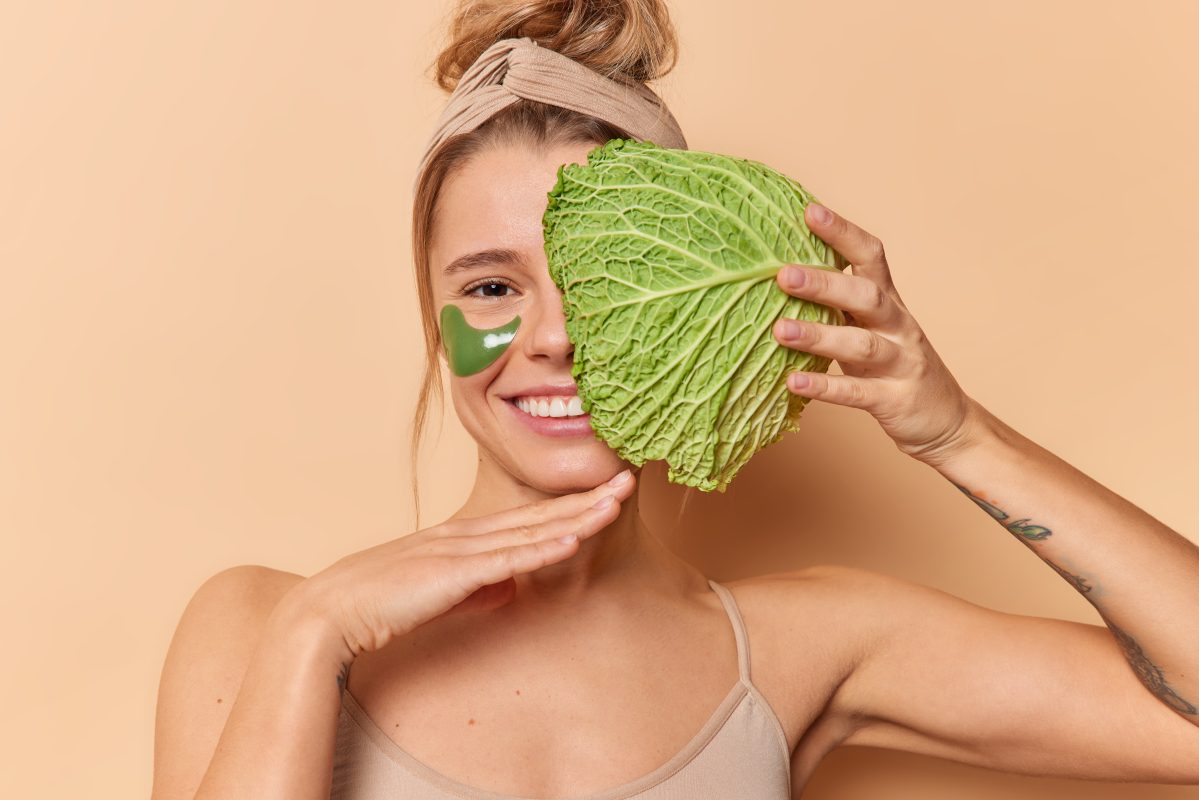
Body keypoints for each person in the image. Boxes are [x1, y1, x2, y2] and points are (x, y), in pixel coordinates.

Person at [150, 1, 1199, 798]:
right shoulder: (260, 625)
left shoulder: (796, 647)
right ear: (432, 314)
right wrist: (317, 633)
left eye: (599, 285)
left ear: (695, 310)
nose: (554, 337)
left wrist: (962, 435)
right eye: (489, 286)